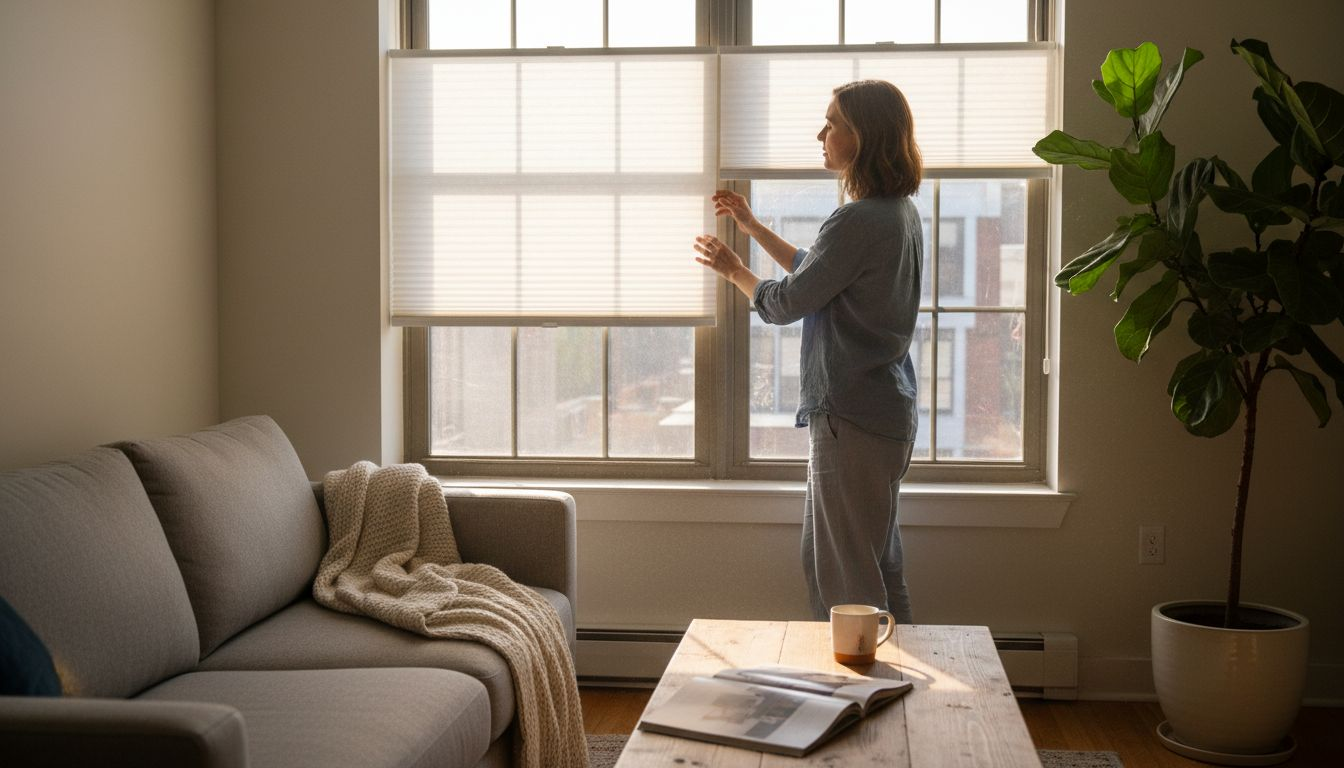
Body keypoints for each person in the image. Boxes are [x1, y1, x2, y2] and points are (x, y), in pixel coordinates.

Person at [692, 79, 923, 623]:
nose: (821, 134)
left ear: (862, 136)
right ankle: (906, 688)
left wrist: (733, 270)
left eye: (832, 123)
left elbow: (786, 302)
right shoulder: (897, 213)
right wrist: (752, 226)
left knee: (844, 579)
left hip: (852, 416)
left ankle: (858, 695)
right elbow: (820, 271)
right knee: (879, 567)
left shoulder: (859, 219)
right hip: (886, 413)